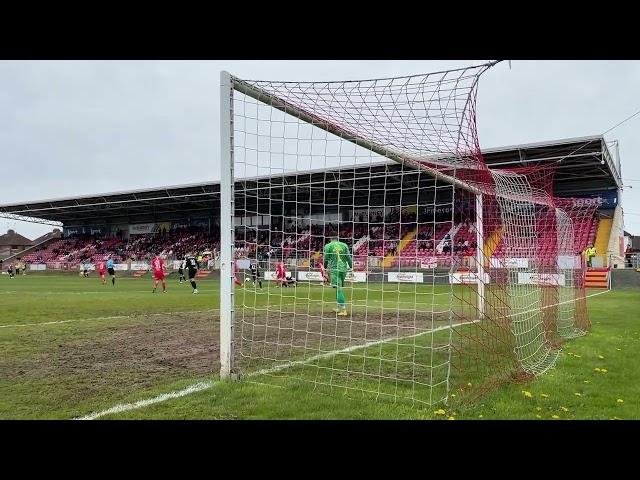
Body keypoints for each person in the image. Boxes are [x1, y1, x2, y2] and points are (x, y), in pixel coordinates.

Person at [323, 234, 353, 316]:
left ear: (330, 239)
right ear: (338, 239)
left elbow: (326, 259)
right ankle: (339, 308)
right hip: (343, 269)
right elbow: (348, 257)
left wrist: (324, 269)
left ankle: (343, 310)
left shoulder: (328, 246)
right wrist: (351, 267)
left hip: (335, 270)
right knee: (337, 288)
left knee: (338, 289)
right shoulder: (344, 245)